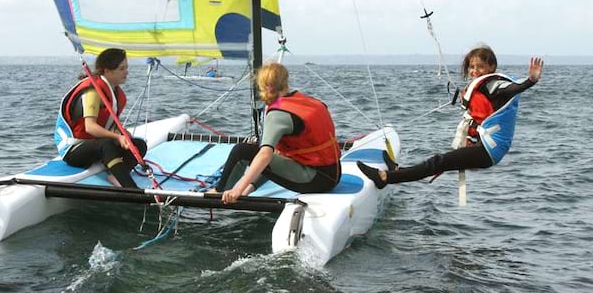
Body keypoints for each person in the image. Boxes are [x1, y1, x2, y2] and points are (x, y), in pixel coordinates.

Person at [357, 45, 544, 190]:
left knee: (439, 162)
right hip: (482, 147)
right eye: (472, 67)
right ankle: (397, 172)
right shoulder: (482, 85)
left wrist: (530, 81)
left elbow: (514, 88)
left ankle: (385, 178)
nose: (474, 71)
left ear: (491, 67)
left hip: (488, 150)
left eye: (480, 66)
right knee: (440, 163)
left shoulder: (495, 84)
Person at [212, 63, 341, 204]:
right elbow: (275, 159)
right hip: (334, 173)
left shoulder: (278, 114)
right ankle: (247, 187)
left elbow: (265, 156)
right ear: (285, 82)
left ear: (265, 86)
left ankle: (219, 191)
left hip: (315, 180)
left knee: (242, 151)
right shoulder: (310, 102)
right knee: (265, 150)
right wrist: (250, 187)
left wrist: (238, 190)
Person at [54, 48, 147, 188]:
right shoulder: (93, 91)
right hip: (73, 150)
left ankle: (115, 177)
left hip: (95, 146)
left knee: (138, 144)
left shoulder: (114, 92)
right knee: (106, 144)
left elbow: (110, 124)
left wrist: (122, 135)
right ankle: (131, 188)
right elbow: (90, 127)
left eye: (126, 68)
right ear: (107, 71)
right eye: (122, 68)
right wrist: (117, 138)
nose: (126, 72)